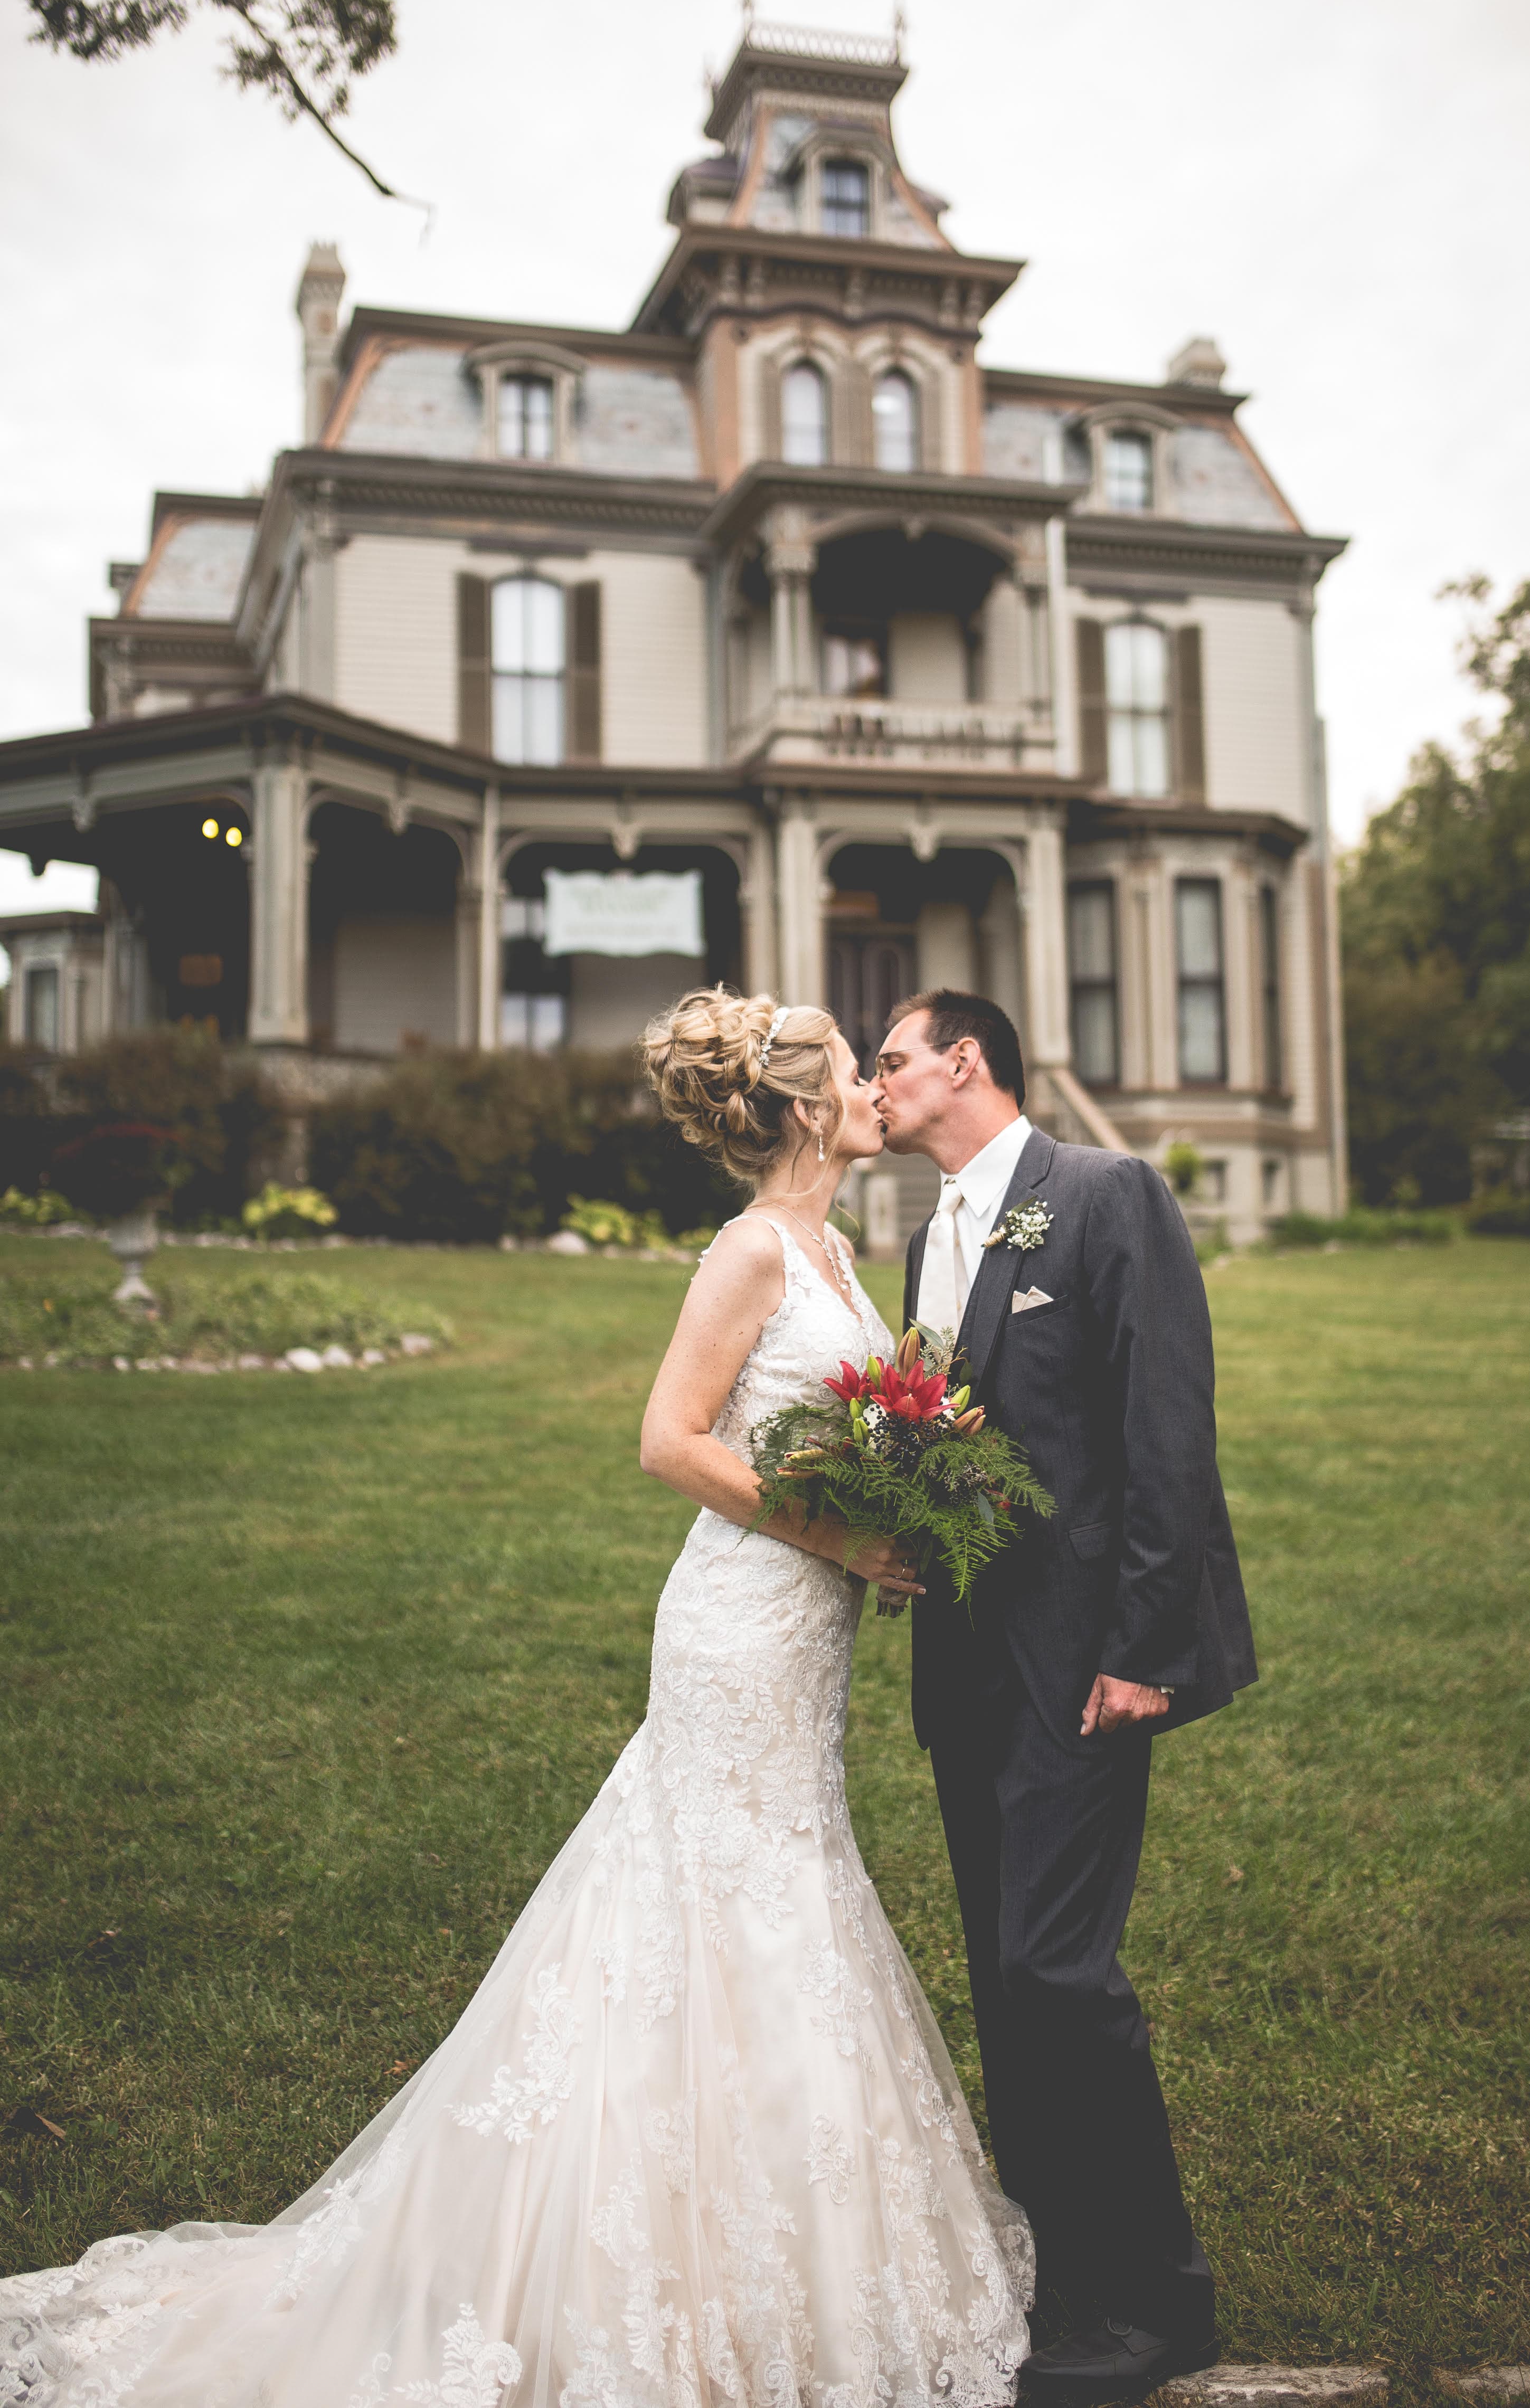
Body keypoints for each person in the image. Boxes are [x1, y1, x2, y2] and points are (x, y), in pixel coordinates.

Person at [0, 991, 1033, 2408]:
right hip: (738, 1626)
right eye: (856, 1073)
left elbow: (824, 1431)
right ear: (807, 1111)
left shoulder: (833, 1245)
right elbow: (667, 1440)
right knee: (718, 1896)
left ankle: (752, 2244)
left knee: (772, 1886)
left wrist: (894, 1487)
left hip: (802, 1638)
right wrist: (843, 1538)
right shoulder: (747, 1253)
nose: (875, 1091)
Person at [875, 988, 1257, 2407]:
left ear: (963, 1063)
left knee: (1055, 1970)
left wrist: (1146, 1649)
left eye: (894, 1060)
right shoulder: (924, 1236)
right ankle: (1059, 2277)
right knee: (1001, 1977)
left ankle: (1158, 2304)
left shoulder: (1102, 1196)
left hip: (1086, 1663)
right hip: (965, 1666)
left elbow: (1164, 1424)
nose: (878, 1085)